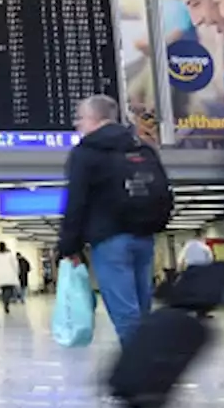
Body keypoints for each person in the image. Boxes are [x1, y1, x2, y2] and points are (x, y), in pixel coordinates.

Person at [57, 94, 158, 344]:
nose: (77, 125)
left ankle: (142, 376)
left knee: (126, 316)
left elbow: (76, 201)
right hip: (144, 237)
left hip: (109, 240)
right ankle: (150, 367)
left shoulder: (86, 152)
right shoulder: (141, 147)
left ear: (94, 118)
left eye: (80, 118)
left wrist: (69, 246)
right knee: (142, 312)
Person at [0, 242, 20, 314]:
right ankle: (6, 304)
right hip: (10, 276)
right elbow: (15, 264)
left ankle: (5, 302)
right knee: (8, 291)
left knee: (3, 290)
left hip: (0, 277)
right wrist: (17, 272)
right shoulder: (10, 254)